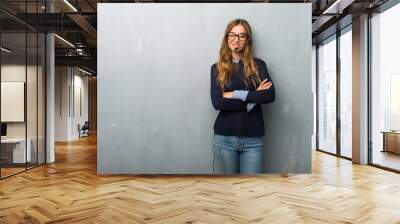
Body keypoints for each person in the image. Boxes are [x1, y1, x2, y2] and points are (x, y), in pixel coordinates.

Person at [210, 18, 275, 174]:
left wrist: (234, 94)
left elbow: (269, 96)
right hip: (224, 138)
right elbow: (218, 102)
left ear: (248, 40)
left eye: (241, 36)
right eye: (232, 35)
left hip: (253, 139)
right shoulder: (216, 68)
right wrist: (253, 98)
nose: (236, 40)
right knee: (228, 191)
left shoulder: (259, 65)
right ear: (226, 38)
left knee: (251, 191)